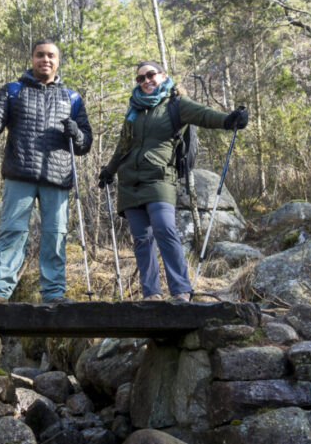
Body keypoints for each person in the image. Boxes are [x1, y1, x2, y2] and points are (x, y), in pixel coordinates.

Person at [98, 60, 247, 302]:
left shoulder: (176, 104)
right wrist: (110, 170)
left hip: (159, 178)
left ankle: (181, 290)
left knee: (164, 228)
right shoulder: (133, 110)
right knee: (141, 239)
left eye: (150, 75)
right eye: (140, 78)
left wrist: (229, 120)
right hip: (129, 182)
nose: (146, 81)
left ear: (163, 75)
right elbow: (123, 146)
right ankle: (151, 294)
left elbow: (204, 115)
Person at [0, 39, 93, 304]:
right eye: (40, 55)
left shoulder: (71, 97)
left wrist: (77, 134)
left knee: (55, 234)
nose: (45, 60)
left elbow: (85, 142)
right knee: (12, 231)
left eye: (50, 56)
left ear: (58, 62)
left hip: (57, 177)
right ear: (32, 59)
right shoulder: (13, 91)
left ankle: (54, 293)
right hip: (20, 172)